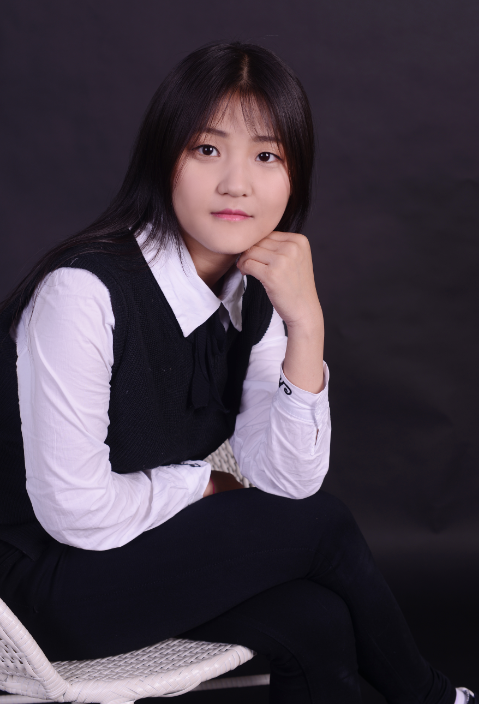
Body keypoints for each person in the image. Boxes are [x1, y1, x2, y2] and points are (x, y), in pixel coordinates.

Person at [0, 41, 474, 704]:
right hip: (38, 592)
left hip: (135, 553)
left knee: (317, 622)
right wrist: (203, 484)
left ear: (294, 175)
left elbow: (286, 481)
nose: (236, 184)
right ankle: (433, 699)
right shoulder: (82, 293)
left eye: (266, 156)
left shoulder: (252, 295)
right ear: (163, 158)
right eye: (206, 149)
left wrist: (305, 324)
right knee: (323, 526)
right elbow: (75, 512)